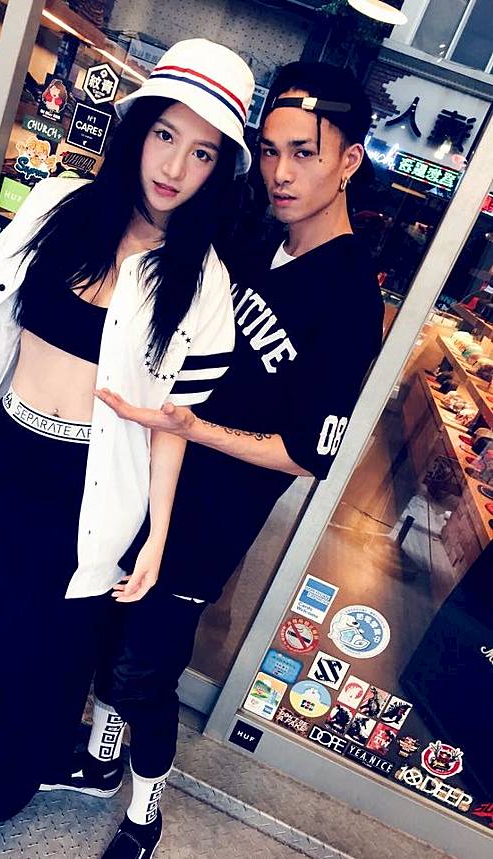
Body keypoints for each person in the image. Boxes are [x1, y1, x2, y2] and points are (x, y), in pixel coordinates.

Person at [0, 39, 254, 835]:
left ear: (219, 171)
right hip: (7, 456)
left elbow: (171, 426)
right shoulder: (59, 206)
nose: (176, 166)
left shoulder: (202, 281)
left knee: (28, 654)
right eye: (165, 135)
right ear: (137, 130)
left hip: (91, 487)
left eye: (203, 152)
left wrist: (156, 537)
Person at [57, 62, 386, 859]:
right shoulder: (249, 234)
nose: (281, 173)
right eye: (270, 150)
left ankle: (145, 813)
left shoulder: (350, 298)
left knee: (146, 667)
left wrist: (193, 426)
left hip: (211, 516)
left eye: (304, 153)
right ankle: (99, 761)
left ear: (349, 159)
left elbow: (307, 453)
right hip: (145, 472)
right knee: (106, 629)